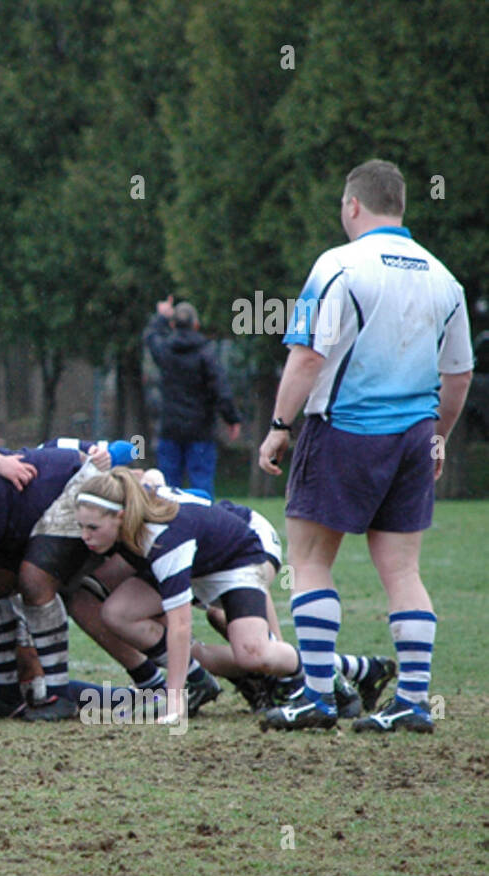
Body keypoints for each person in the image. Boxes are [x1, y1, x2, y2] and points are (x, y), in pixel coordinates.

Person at [257, 159, 474, 733]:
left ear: (353, 205)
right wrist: (438, 438)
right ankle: (412, 701)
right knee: (403, 571)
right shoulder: (443, 277)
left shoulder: (338, 266)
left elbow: (307, 356)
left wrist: (280, 424)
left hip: (344, 431)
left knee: (308, 561)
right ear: (399, 206)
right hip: (411, 438)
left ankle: (317, 699)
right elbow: (459, 377)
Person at [73, 468, 301, 727]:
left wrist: (174, 702)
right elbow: (149, 474)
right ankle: (203, 679)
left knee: (251, 650)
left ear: (121, 516)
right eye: (80, 526)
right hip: (203, 554)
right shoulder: (127, 502)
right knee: (119, 614)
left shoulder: (162, 538)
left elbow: (181, 624)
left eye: (92, 527)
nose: (84, 536)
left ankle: (322, 670)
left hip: (243, 549)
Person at [144, 297, 241, 495]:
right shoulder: (206, 353)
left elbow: (151, 336)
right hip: (200, 428)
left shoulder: (165, 351)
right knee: (201, 484)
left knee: (167, 488)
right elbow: (220, 388)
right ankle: (203, 523)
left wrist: (160, 316)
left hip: (170, 427)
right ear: (196, 325)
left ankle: (169, 525)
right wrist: (232, 419)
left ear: (173, 325)